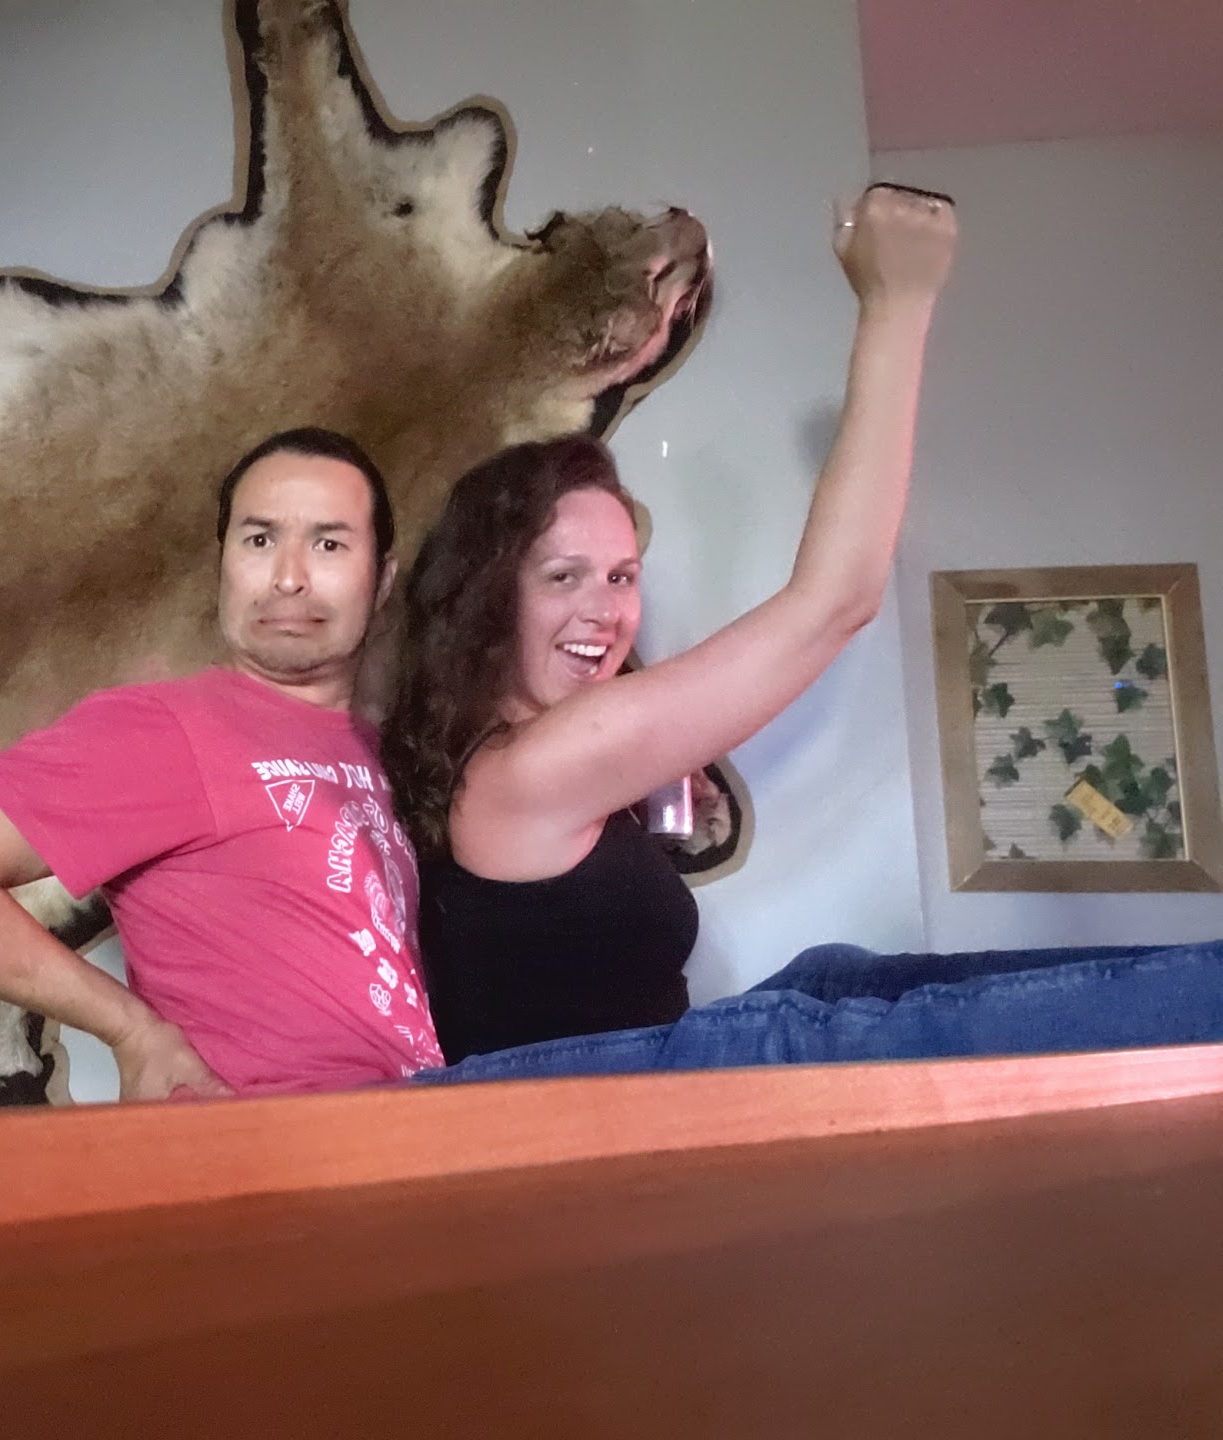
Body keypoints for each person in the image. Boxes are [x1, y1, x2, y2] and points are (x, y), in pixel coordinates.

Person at [382, 185, 1223, 1077]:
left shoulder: (517, 761)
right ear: (486, 597)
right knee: (802, 1029)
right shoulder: (524, 772)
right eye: (564, 576)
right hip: (595, 1114)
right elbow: (835, 602)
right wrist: (898, 300)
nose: (607, 609)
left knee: (831, 976)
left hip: (638, 1078)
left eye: (622, 576)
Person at [0, 427, 442, 1101]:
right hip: (271, 1143)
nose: (289, 577)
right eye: (259, 540)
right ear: (224, 564)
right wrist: (131, 1031)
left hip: (405, 1127)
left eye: (329, 544)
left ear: (381, 580)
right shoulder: (166, 728)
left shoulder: (384, 752)